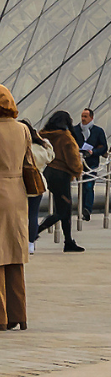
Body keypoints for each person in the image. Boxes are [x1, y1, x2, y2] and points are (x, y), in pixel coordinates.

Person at [0, 86, 34, 329]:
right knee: (14, 256)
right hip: (18, 193)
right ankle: (18, 315)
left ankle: (0, 317)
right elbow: (29, 161)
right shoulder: (22, 129)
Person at [39, 110, 84, 252]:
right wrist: (78, 170)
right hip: (61, 175)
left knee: (65, 208)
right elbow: (72, 159)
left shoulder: (43, 134)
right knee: (63, 210)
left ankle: (68, 241)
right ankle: (33, 233)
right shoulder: (65, 137)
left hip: (49, 172)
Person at [21, 120, 53, 255]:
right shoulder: (40, 146)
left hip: (20, 184)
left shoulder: (19, 146)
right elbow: (51, 157)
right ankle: (31, 243)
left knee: (19, 216)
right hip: (36, 183)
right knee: (33, 215)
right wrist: (43, 140)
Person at [73, 108, 108, 220]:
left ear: (91, 118)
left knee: (89, 186)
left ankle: (87, 209)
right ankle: (82, 208)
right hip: (79, 163)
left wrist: (94, 152)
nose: (83, 119)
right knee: (82, 186)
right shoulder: (74, 130)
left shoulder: (98, 131)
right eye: (82, 116)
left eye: (86, 117)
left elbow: (104, 147)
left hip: (92, 162)